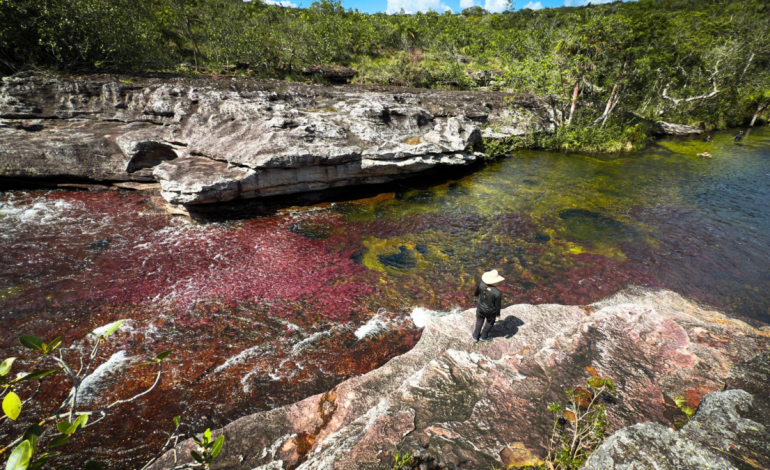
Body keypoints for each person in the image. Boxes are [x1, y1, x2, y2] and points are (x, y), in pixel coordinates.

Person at [472, 269, 504, 343]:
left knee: (479, 321)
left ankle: (475, 336)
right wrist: (498, 315)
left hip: (480, 308)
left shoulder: (481, 284)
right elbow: (498, 305)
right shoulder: (497, 292)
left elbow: (476, 294)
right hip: (490, 311)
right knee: (489, 323)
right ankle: (484, 336)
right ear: (495, 281)